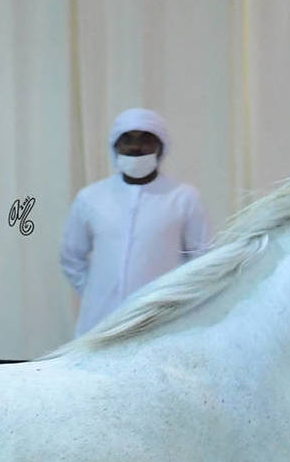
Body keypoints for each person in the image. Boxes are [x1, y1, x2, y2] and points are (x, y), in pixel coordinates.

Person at [60, 108, 212, 337]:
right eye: (127, 139)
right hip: (100, 318)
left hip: (160, 321)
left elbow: (202, 258)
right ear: (115, 147)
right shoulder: (91, 198)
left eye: (145, 139)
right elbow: (71, 256)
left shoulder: (183, 197)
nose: (136, 147)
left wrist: (175, 300)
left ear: (161, 147)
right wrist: (96, 292)